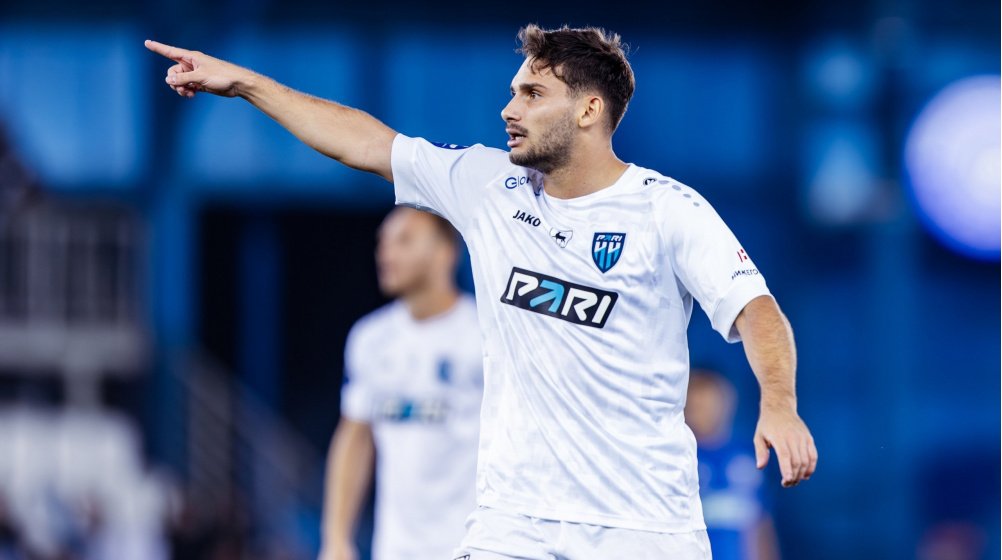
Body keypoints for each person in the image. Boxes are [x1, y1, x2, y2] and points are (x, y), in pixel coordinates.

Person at [146, 23, 819, 560]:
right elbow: (366, 143)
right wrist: (247, 84)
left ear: (589, 109)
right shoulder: (488, 185)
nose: (508, 109)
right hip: (513, 523)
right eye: (513, 92)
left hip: (641, 525)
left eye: (532, 94)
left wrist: (780, 405)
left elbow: (756, 310)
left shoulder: (668, 211)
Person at [320, 207, 482, 560]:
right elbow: (354, 437)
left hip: (471, 547)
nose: (386, 253)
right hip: (395, 550)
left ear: (445, 252)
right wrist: (336, 539)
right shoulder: (371, 338)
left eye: (404, 241)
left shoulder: (483, 336)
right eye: (383, 242)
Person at [685, 369, 781, 560]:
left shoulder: (750, 455)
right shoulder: (680, 458)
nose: (704, 410)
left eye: (710, 402)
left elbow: (761, 523)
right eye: (697, 404)